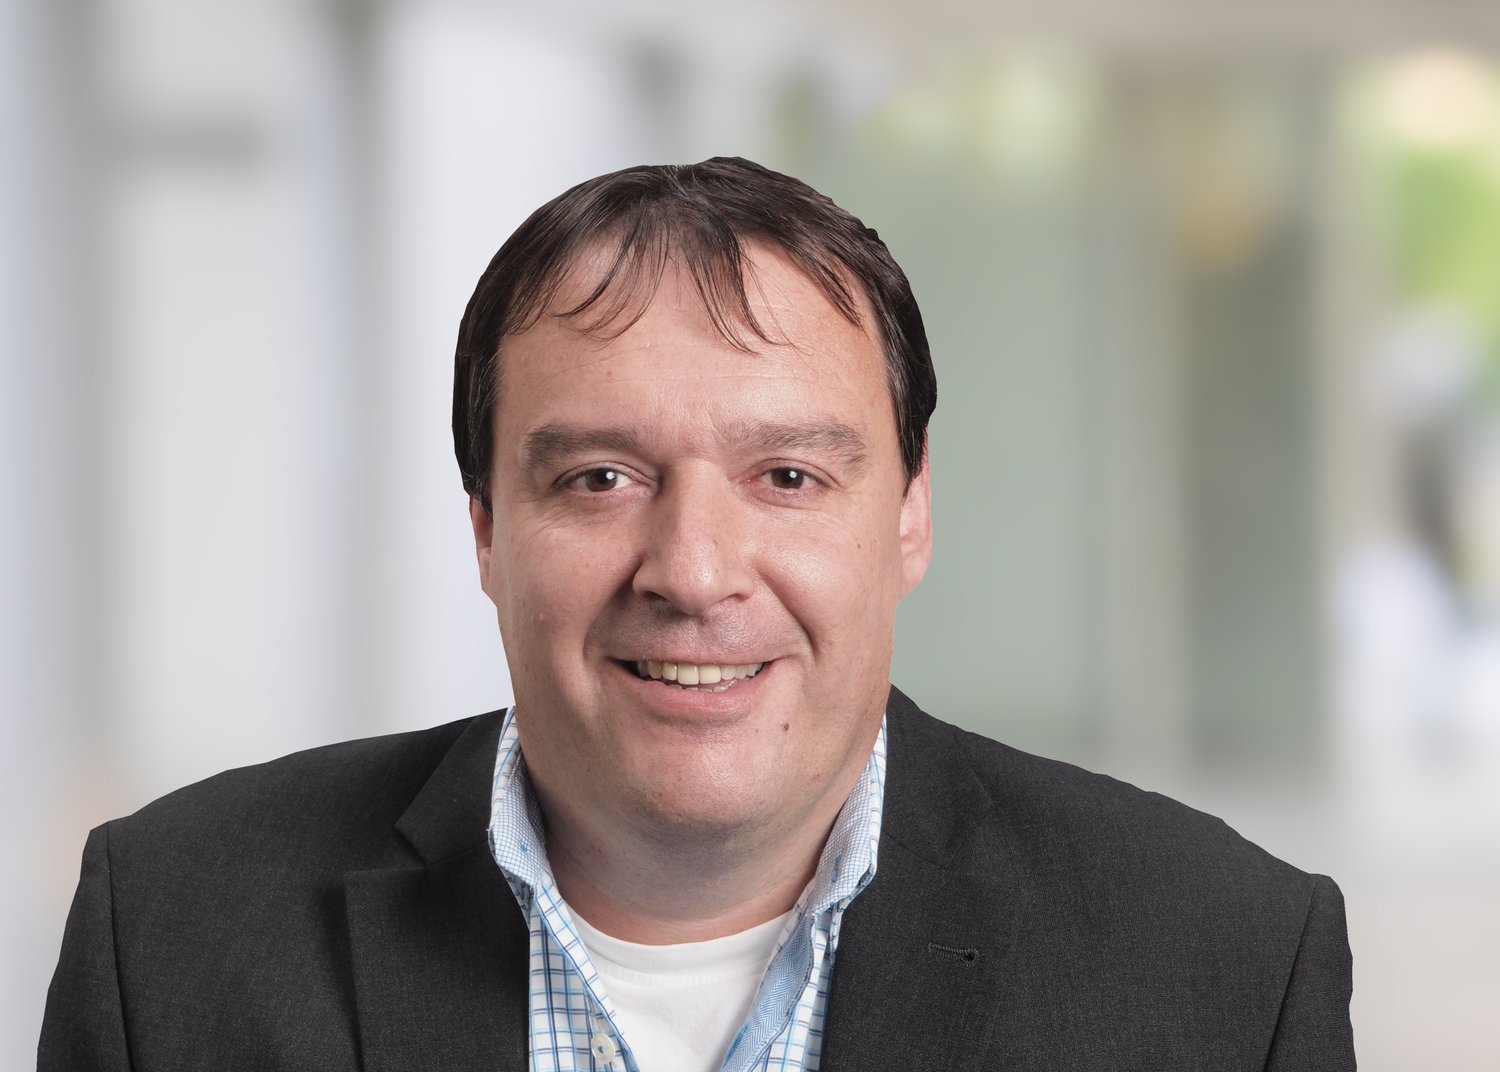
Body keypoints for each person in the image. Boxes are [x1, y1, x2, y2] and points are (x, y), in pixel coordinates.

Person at [40, 157, 1355, 1071]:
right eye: (599, 479)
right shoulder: (173, 938)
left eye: (788, 477)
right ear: (488, 527)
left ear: (908, 515)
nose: (694, 569)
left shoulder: (1221, 965)